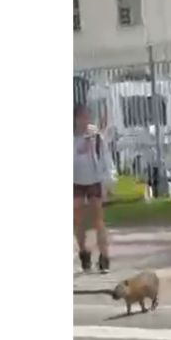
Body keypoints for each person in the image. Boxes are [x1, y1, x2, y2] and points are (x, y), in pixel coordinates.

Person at [73, 103, 116, 273]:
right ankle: (84, 252)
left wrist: (109, 180)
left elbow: (105, 158)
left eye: (86, 117)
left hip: (94, 180)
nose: (84, 121)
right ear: (74, 120)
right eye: (81, 117)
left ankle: (104, 257)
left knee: (98, 220)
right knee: (77, 220)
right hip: (75, 181)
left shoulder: (96, 137)